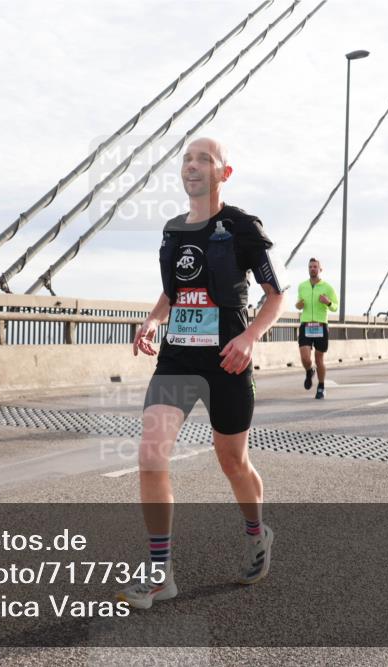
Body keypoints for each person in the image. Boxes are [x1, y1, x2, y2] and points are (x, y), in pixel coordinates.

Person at [121, 138, 286, 609]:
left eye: (204, 159)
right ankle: (159, 573)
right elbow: (171, 295)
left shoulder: (240, 226)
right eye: (187, 160)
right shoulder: (173, 232)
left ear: (224, 173)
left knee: (232, 462)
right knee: (151, 454)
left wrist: (250, 337)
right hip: (177, 358)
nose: (192, 166)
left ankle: (257, 534)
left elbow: (275, 295)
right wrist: (153, 320)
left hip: (227, 361)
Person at [295, 257, 338, 399]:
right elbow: (298, 304)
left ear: (320, 269)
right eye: (310, 267)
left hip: (320, 325)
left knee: (319, 359)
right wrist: (298, 305)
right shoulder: (302, 286)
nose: (312, 269)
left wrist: (328, 302)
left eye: (315, 267)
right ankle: (309, 370)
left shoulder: (327, 287)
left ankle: (321, 386)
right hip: (306, 324)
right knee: (305, 358)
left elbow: (335, 307)